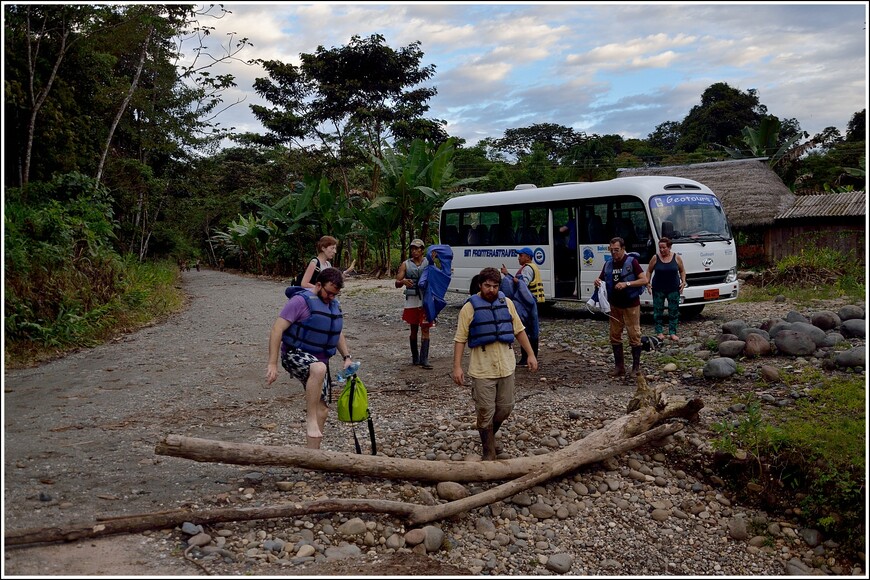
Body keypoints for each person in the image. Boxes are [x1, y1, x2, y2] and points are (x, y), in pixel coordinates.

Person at [452, 267, 538, 460]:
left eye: (495, 286)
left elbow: (519, 331)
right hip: (482, 369)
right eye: (487, 286)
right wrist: (457, 367)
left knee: (506, 407)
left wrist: (531, 354)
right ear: (480, 285)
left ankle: (488, 435)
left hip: (506, 366)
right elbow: (460, 339)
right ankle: (488, 451)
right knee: (485, 411)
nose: (491, 290)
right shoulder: (469, 308)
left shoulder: (506, 303)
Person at [266, 267, 354, 449]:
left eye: (335, 295)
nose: (331, 298)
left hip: (320, 360)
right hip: (294, 354)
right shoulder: (300, 301)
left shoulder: (333, 304)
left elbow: (336, 331)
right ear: (318, 284)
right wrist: (272, 363)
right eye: (329, 293)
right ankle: (310, 418)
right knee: (318, 368)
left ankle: (312, 456)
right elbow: (277, 329)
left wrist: (347, 357)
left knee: (323, 410)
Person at [594, 237, 649, 379]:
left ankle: (636, 368)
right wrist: (598, 282)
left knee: (634, 335)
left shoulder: (632, 262)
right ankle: (619, 367)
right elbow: (602, 280)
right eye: (611, 250)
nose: (614, 253)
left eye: (616, 250)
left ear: (623, 249)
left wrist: (627, 284)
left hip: (631, 304)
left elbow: (644, 280)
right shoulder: (608, 264)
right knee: (614, 335)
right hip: (614, 305)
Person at [499, 246, 544, 366]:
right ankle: (529, 357)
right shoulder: (529, 267)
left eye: (521, 255)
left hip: (528, 303)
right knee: (530, 330)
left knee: (527, 330)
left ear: (528, 257)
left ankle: (527, 358)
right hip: (531, 302)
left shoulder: (527, 269)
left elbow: (521, 284)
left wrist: (507, 275)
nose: (519, 258)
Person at [395, 239, 434, 369]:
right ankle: (415, 357)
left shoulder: (429, 263)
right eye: (412, 248)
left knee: (426, 328)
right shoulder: (405, 264)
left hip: (425, 300)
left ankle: (424, 359)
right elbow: (397, 283)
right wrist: (403, 281)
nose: (414, 251)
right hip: (411, 300)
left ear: (422, 250)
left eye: (417, 248)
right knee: (413, 329)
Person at [645, 237, 686, 342]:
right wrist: (647, 283)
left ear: (669, 247)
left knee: (673, 311)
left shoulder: (677, 257)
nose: (662, 250)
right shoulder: (655, 258)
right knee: (658, 311)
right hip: (658, 288)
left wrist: (683, 281)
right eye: (660, 248)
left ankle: (672, 332)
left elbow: (682, 270)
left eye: (664, 248)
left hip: (673, 288)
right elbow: (649, 270)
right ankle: (659, 332)